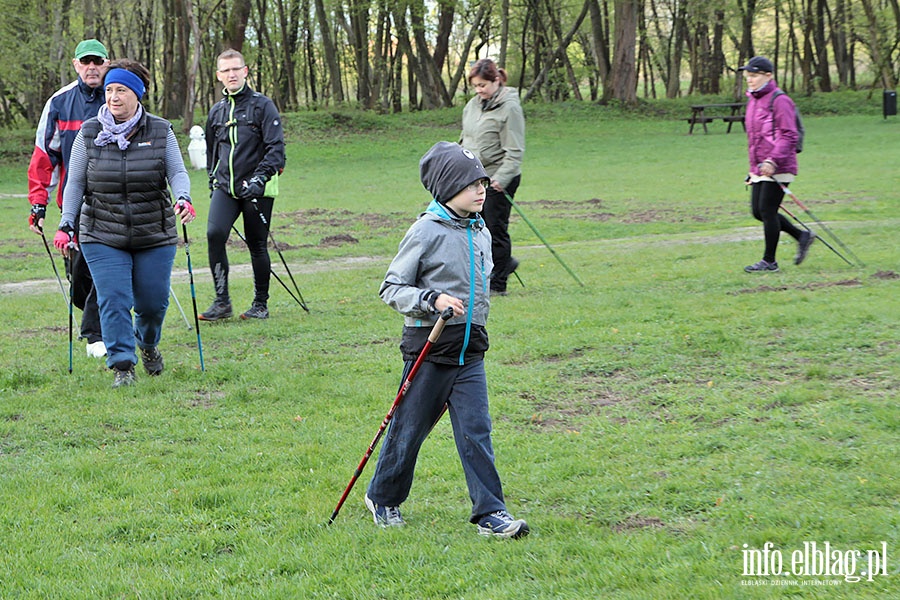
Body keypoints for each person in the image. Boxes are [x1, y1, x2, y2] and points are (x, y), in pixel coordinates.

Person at [364, 141, 530, 539]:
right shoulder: (425, 231)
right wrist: (430, 299)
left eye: (483, 182)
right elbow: (391, 288)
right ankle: (383, 497)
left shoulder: (480, 229)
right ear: (446, 188)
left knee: (477, 429)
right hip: (430, 348)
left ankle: (491, 514)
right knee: (409, 428)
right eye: (471, 184)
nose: (481, 190)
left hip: (470, 349)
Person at [54, 59, 195, 388]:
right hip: (101, 231)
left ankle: (147, 344)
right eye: (109, 90)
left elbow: (176, 171)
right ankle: (122, 366)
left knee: (152, 303)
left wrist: (184, 197)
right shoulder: (90, 132)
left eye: (121, 90)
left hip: (153, 231)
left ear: (138, 94)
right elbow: (74, 183)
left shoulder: (160, 130)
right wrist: (66, 223)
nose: (113, 97)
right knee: (113, 298)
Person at [28, 39, 110, 358]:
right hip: (73, 204)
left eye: (98, 61)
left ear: (107, 64)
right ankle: (97, 321)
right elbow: (44, 157)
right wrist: (39, 203)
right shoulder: (60, 102)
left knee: (102, 267)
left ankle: (97, 334)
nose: (92, 67)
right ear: (75, 64)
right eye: (85, 62)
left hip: (114, 201)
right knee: (78, 276)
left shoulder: (119, 95)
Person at [200, 49, 286, 321]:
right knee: (214, 234)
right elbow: (212, 150)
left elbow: (277, 150)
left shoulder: (263, 106)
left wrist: (260, 178)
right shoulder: (217, 111)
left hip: (258, 189)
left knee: (256, 244)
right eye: (226, 71)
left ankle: (260, 304)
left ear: (245, 71)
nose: (232, 74)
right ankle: (222, 301)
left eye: (236, 69)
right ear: (219, 76)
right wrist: (214, 178)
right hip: (226, 188)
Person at [739, 56, 815, 273]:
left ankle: (769, 261)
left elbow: (789, 135)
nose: (750, 80)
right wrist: (752, 170)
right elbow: (756, 138)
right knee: (758, 211)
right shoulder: (753, 100)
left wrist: (773, 160)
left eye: (754, 76)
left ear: (768, 76)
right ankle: (802, 235)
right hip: (761, 166)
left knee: (767, 210)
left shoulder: (780, 100)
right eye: (748, 76)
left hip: (779, 163)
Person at [459, 58, 525, 296]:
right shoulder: (472, 106)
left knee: (495, 229)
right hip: (475, 177)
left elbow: (515, 150)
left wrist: (501, 178)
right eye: (475, 86)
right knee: (477, 227)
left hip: (499, 178)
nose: (479, 90)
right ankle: (493, 271)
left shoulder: (510, 108)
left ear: (497, 80)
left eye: (483, 85)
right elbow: (466, 137)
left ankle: (498, 284)